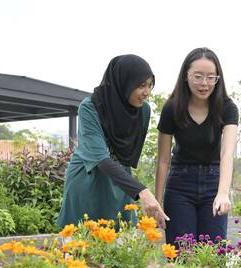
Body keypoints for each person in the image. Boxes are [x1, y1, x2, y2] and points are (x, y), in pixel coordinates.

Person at [57, 54, 168, 230]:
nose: (147, 92)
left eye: (150, 85)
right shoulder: (90, 106)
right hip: (88, 179)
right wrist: (142, 192)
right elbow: (101, 158)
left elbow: (127, 156)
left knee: (120, 249)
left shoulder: (143, 111)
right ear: (124, 82)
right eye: (141, 85)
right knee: (80, 248)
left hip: (120, 184)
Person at [154, 47, 239, 245]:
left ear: (218, 79)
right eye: (198, 76)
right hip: (180, 186)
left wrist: (223, 192)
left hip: (213, 183)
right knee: (181, 252)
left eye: (211, 77)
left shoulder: (227, 107)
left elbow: (227, 153)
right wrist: (157, 204)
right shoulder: (172, 108)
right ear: (186, 76)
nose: (204, 83)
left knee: (212, 254)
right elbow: (163, 160)